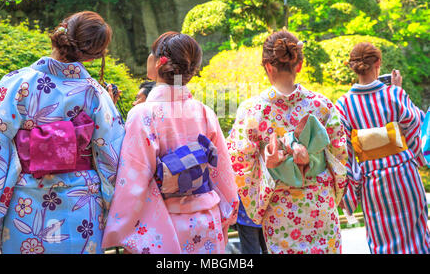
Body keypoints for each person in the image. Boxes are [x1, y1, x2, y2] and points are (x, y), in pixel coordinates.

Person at [0, 11, 125, 254]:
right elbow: (113, 157)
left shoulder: (17, 83)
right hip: (83, 205)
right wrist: (115, 209)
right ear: (93, 57)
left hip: (26, 201)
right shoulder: (95, 94)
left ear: (58, 36)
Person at [102, 31, 239, 254]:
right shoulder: (205, 112)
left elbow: (134, 179)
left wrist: (121, 226)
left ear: (158, 62)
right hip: (207, 217)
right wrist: (228, 213)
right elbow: (222, 173)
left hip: (164, 225)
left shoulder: (143, 114)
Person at [226, 30, 348, 254]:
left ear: (268, 67)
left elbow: (238, 162)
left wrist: (269, 165)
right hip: (320, 203)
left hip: (281, 210)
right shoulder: (321, 105)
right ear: (299, 65)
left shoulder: (252, 111)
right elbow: (340, 154)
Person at [335, 42, 430, 254]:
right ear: (378, 63)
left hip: (374, 183)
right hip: (405, 176)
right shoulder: (393, 95)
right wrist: (398, 89)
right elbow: (417, 128)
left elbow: (344, 153)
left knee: (381, 241)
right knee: (417, 238)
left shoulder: (343, 105)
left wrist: (352, 191)